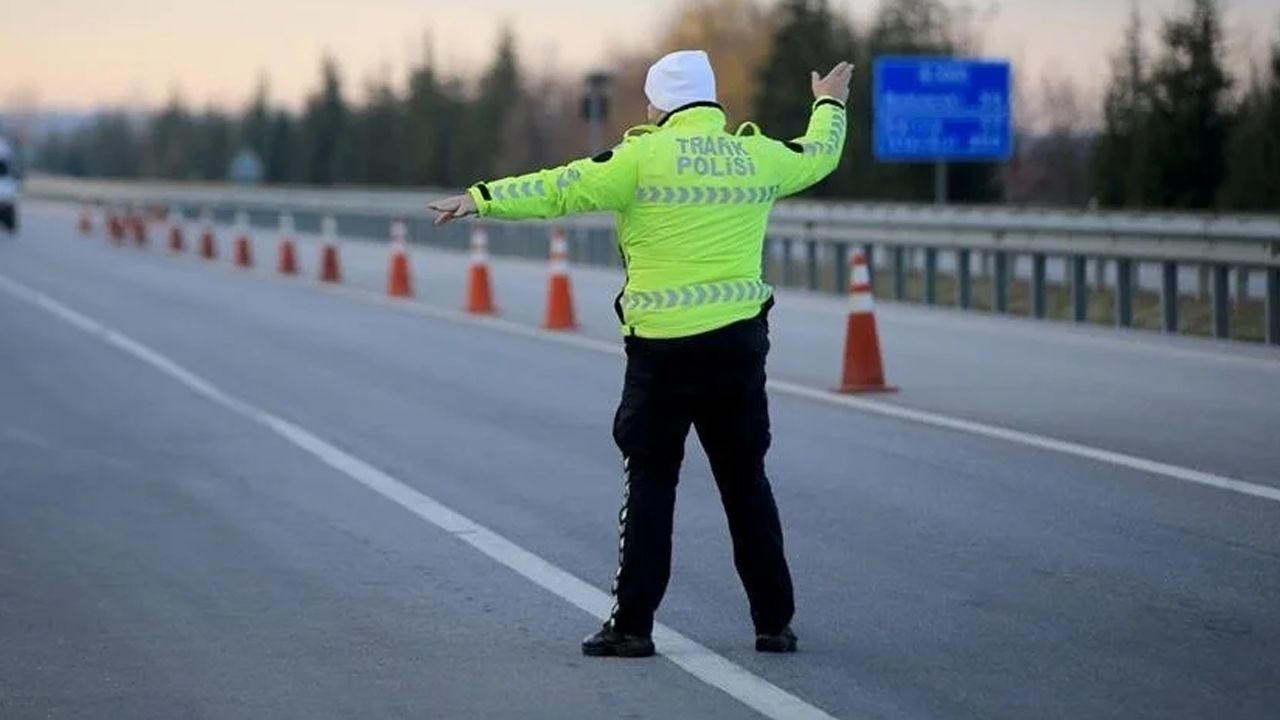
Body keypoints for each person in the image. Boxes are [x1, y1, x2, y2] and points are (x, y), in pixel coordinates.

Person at [429, 50, 852, 658]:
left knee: (652, 483)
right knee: (744, 482)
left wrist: (481, 198)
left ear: (661, 104)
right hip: (737, 346)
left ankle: (632, 627)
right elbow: (820, 155)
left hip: (663, 353)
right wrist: (828, 104)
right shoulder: (755, 155)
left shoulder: (639, 157)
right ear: (708, 100)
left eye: (651, 100)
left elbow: (560, 187)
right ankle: (773, 622)